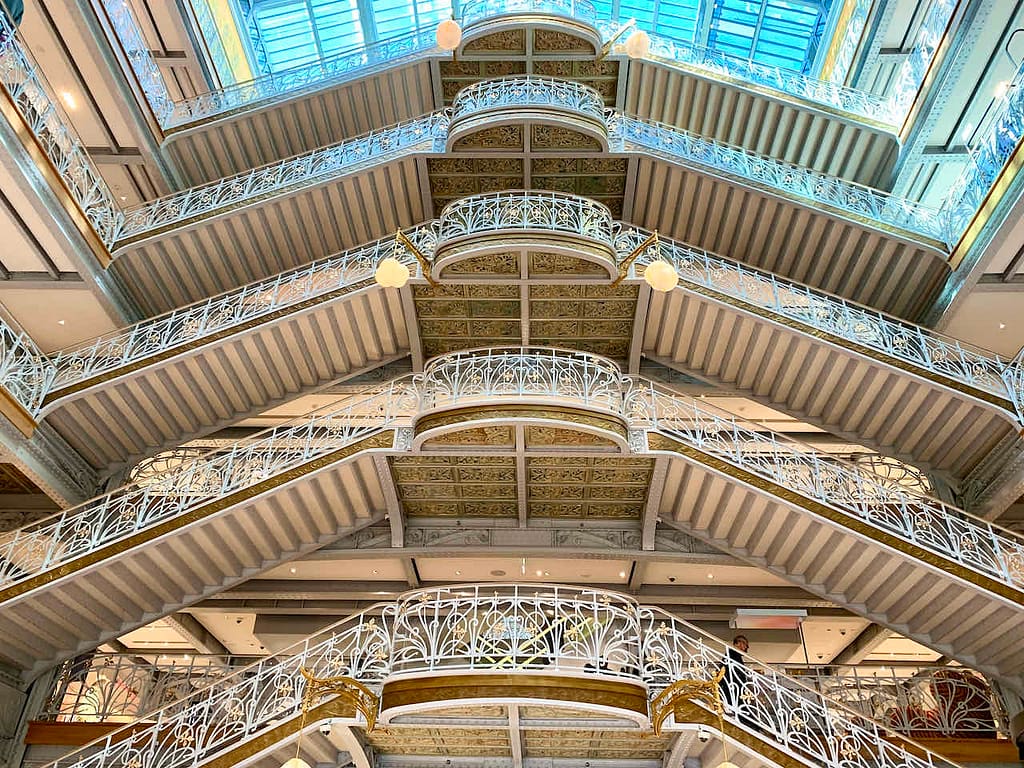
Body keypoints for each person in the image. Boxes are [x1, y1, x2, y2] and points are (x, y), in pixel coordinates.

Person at [720, 635, 755, 728]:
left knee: (742, 708)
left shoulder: (733, 655)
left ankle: (751, 724)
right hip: (732, 688)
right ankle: (750, 725)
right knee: (740, 708)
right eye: (745, 645)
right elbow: (726, 671)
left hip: (734, 688)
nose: (745, 648)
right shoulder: (732, 655)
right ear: (739, 643)